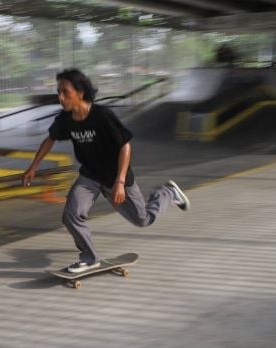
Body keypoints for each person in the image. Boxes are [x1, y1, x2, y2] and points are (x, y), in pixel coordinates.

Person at [22, 68, 190, 273]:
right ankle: (89, 258)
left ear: (80, 92)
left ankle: (167, 193)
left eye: (65, 92)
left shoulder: (102, 116)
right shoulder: (65, 119)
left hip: (115, 176)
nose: (60, 97)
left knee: (142, 220)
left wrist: (119, 182)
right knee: (71, 215)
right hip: (90, 176)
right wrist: (33, 167)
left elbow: (125, 146)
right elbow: (50, 139)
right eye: (59, 92)